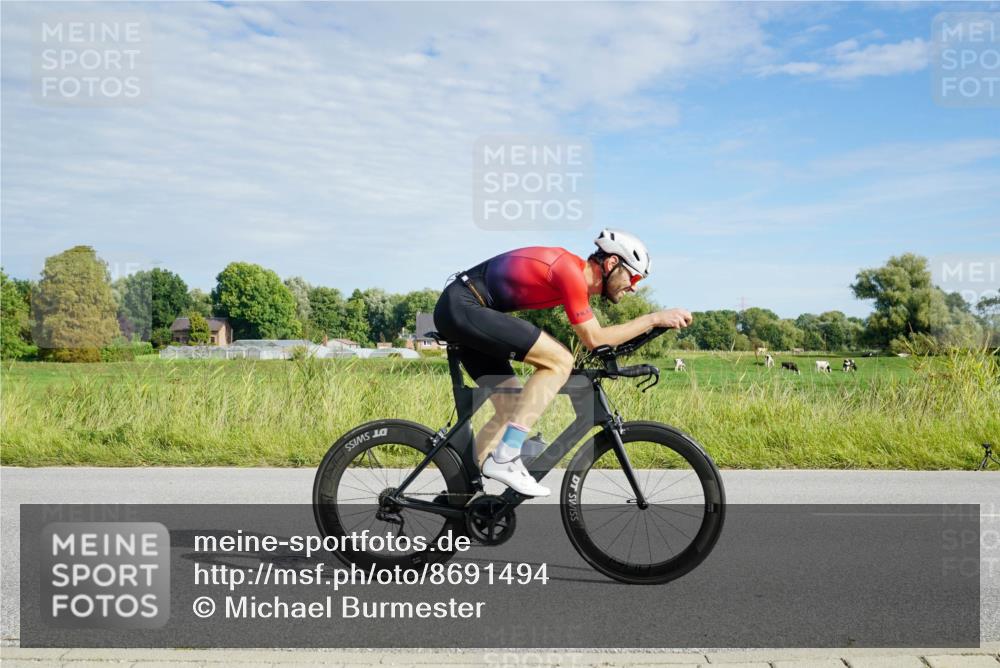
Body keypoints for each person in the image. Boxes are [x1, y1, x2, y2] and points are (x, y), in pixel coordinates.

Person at [432, 230, 693, 497]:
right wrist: (653, 319)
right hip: (463, 306)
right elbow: (595, 338)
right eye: (634, 276)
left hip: (467, 310)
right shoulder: (569, 270)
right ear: (612, 263)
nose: (635, 286)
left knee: (511, 405)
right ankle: (506, 457)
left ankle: (460, 494)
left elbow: (600, 341)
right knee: (559, 361)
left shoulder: (576, 282)